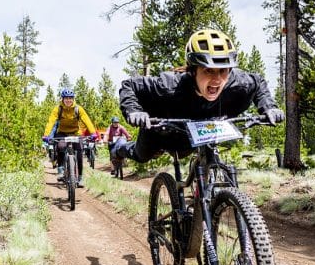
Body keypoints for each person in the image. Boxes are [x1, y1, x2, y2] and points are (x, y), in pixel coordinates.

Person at [111, 28, 284, 163]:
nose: (217, 79)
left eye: (223, 71)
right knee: (142, 155)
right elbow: (130, 85)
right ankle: (119, 148)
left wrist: (269, 107)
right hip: (161, 132)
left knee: (201, 154)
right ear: (193, 70)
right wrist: (134, 111)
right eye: (208, 70)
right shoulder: (169, 85)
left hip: (195, 136)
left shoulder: (239, 82)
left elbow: (259, 82)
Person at [43, 88, 99, 187]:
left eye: (70, 98)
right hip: (62, 133)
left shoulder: (78, 109)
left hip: (75, 133)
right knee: (60, 147)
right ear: (62, 99)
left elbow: (87, 120)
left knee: (80, 151)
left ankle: (80, 177)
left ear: (73, 99)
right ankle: (60, 169)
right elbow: (51, 121)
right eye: (66, 98)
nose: (68, 100)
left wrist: (93, 133)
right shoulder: (58, 109)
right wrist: (46, 135)